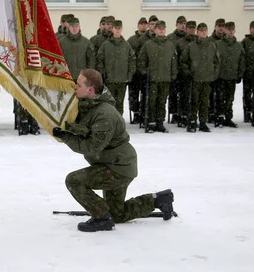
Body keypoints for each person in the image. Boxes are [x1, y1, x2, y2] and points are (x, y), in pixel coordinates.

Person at [52, 69, 174, 232]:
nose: (74, 87)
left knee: (74, 181)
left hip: (118, 168)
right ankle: (158, 200)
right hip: (116, 163)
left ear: (90, 89)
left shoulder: (105, 115)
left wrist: (66, 137)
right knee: (118, 214)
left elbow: (92, 147)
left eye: (78, 84)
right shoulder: (91, 106)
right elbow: (86, 129)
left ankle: (101, 218)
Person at [137, 20, 177, 133]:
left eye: (163, 28)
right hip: (152, 78)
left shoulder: (170, 45)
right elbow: (141, 59)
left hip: (165, 78)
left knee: (162, 101)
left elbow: (174, 61)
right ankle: (151, 123)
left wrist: (173, 74)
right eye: (159, 28)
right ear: (155, 30)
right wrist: (144, 72)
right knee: (151, 102)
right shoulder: (149, 44)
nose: (161, 30)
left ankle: (160, 123)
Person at [180, 23, 220, 133]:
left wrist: (214, 74)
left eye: (205, 30)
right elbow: (183, 61)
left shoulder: (212, 46)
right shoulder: (191, 46)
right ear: (197, 32)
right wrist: (188, 73)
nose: (203, 32)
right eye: (201, 30)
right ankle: (192, 121)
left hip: (207, 79)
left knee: (205, 102)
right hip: (195, 78)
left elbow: (216, 62)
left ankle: (203, 122)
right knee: (193, 101)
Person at [96, 20, 136, 115]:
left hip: (122, 80)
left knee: (120, 102)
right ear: (112, 29)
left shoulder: (126, 45)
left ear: (121, 29)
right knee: (109, 102)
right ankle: (110, 121)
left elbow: (132, 60)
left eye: (119, 28)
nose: (117, 31)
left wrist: (129, 75)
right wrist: (103, 73)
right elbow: (100, 59)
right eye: (115, 28)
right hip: (109, 79)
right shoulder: (106, 45)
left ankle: (119, 121)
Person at [215, 21, 245, 128]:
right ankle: (220, 117)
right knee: (220, 98)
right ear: (225, 30)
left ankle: (228, 118)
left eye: (232, 29)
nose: (231, 31)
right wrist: (215, 74)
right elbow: (214, 60)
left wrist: (240, 74)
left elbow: (242, 61)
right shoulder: (218, 44)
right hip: (221, 76)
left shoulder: (238, 45)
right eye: (229, 29)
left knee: (230, 98)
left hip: (232, 75)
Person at [175, 21, 198, 127]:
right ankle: (182, 116)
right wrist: (183, 71)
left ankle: (192, 117)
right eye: (190, 28)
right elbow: (178, 59)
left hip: (197, 74)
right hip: (183, 75)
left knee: (194, 98)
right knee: (183, 97)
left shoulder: (199, 41)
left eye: (194, 28)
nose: (192, 30)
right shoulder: (180, 42)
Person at [59, 17, 95, 81]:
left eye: (76, 26)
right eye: (72, 26)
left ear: (79, 27)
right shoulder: (62, 42)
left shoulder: (86, 42)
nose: (74, 28)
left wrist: (89, 75)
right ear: (69, 27)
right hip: (66, 76)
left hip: (82, 78)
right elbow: (58, 59)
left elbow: (91, 61)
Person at [127, 17, 148, 124]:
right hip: (135, 72)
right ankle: (135, 113)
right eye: (141, 24)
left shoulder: (149, 39)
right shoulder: (131, 40)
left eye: (145, 24)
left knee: (145, 94)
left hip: (145, 72)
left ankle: (144, 113)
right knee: (133, 94)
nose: (143, 26)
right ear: (138, 26)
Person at [168, 16, 187, 125]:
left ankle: (183, 114)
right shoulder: (171, 38)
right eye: (180, 23)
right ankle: (174, 114)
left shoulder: (188, 38)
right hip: (174, 70)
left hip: (184, 70)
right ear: (176, 24)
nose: (183, 26)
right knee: (173, 94)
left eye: (184, 23)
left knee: (183, 94)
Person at [241, 20, 254, 123]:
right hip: (248, 72)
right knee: (247, 94)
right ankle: (247, 112)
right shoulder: (245, 41)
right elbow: (243, 57)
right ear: (250, 29)